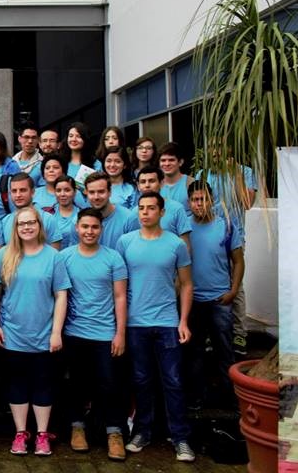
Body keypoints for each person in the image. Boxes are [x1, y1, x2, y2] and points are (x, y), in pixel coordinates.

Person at [117, 192, 196, 463]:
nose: (145, 212)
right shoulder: (125, 242)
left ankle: (181, 438)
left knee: (173, 381)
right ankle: (142, 432)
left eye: (151, 208)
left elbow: (186, 284)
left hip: (167, 323)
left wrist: (183, 320)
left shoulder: (176, 244)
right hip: (135, 323)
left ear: (162, 212)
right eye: (141, 208)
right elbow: (119, 285)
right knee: (141, 380)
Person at [0, 207, 70, 457]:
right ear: (15, 228)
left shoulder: (53, 256)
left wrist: (56, 331)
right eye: (21, 224)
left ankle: (41, 434)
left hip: (44, 332)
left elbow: (61, 295)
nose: (26, 227)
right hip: (13, 332)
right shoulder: (5, 254)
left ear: (40, 225)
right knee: (16, 383)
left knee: (43, 384)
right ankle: (20, 433)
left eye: (31, 223)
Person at [59, 209, 128, 461]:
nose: (89, 231)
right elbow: (60, 296)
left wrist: (120, 333)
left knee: (109, 384)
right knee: (76, 383)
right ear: (76, 228)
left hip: (105, 333)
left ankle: (114, 433)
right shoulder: (64, 257)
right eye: (85, 226)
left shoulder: (113, 258)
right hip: (74, 332)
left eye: (94, 227)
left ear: (101, 229)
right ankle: (77, 428)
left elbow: (120, 297)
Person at [185, 181, 244, 409]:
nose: (199, 204)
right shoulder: (185, 229)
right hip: (194, 300)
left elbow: (238, 261)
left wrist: (233, 290)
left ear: (212, 200)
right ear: (189, 203)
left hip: (220, 300)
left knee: (225, 350)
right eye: (195, 200)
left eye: (203, 199)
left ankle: (230, 397)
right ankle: (197, 397)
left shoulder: (226, 226)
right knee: (195, 352)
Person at [0, 173, 63, 249]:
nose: (18, 195)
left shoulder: (48, 219)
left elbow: (55, 255)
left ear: (32, 192)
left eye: (22, 190)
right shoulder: (5, 221)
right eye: (14, 191)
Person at [136, 166, 193, 251]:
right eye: (143, 182)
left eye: (152, 181)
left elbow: (186, 247)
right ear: (138, 185)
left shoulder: (177, 208)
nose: (147, 185)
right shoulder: (133, 213)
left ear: (162, 183)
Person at [84, 172, 139, 249]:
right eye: (92, 192)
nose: (96, 197)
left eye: (101, 192)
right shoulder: (79, 221)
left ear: (110, 192)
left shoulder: (129, 218)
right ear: (86, 193)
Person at [158, 142, 192, 211]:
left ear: (180, 162)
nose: (167, 164)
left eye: (171, 160)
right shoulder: (155, 184)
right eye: (163, 160)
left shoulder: (190, 183)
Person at [50, 177, 80, 249]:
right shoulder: (48, 213)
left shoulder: (82, 215)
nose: (62, 194)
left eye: (67, 190)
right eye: (58, 190)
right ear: (54, 192)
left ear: (74, 192)